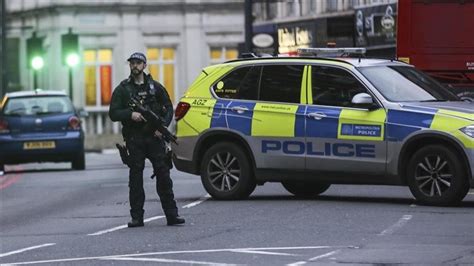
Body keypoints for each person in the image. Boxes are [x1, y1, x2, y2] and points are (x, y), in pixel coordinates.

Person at [109, 52, 185, 227]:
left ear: (144, 65)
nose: (134, 66)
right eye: (132, 63)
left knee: (164, 175)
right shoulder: (123, 89)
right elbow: (113, 113)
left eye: (138, 63)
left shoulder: (156, 87)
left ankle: (172, 215)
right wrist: (130, 114)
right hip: (135, 139)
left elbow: (168, 108)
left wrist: (162, 127)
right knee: (135, 179)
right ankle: (137, 217)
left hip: (154, 138)